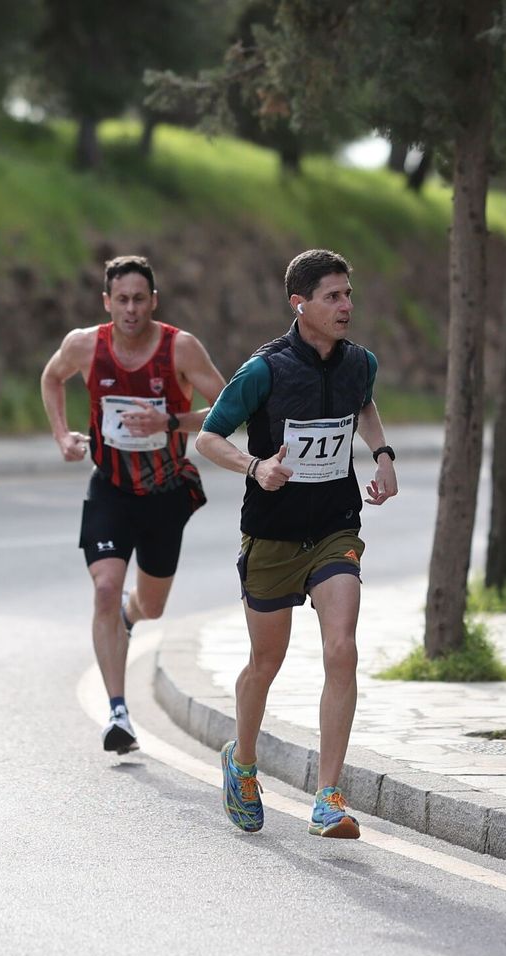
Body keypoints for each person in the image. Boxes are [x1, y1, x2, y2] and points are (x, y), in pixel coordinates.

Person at [195, 249, 399, 840]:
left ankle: (329, 796)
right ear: (299, 303)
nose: (346, 306)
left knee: (343, 647)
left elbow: (363, 404)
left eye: (348, 294)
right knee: (267, 661)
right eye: (333, 296)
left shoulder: (361, 362)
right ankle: (244, 762)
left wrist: (382, 455)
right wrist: (256, 466)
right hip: (273, 534)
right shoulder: (265, 370)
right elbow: (209, 438)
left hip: (336, 526)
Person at [40, 255, 227, 754]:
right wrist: (62, 435)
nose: (130, 309)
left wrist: (169, 422)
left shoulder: (179, 348)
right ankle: (118, 712)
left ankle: (130, 615)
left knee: (151, 604)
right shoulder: (84, 346)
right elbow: (51, 377)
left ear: (153, 301)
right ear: (106, 302)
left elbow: (230, 407)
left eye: (139, 299)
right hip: (111, 489)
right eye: (120, 299)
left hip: (166, 492)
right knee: (104, 587)